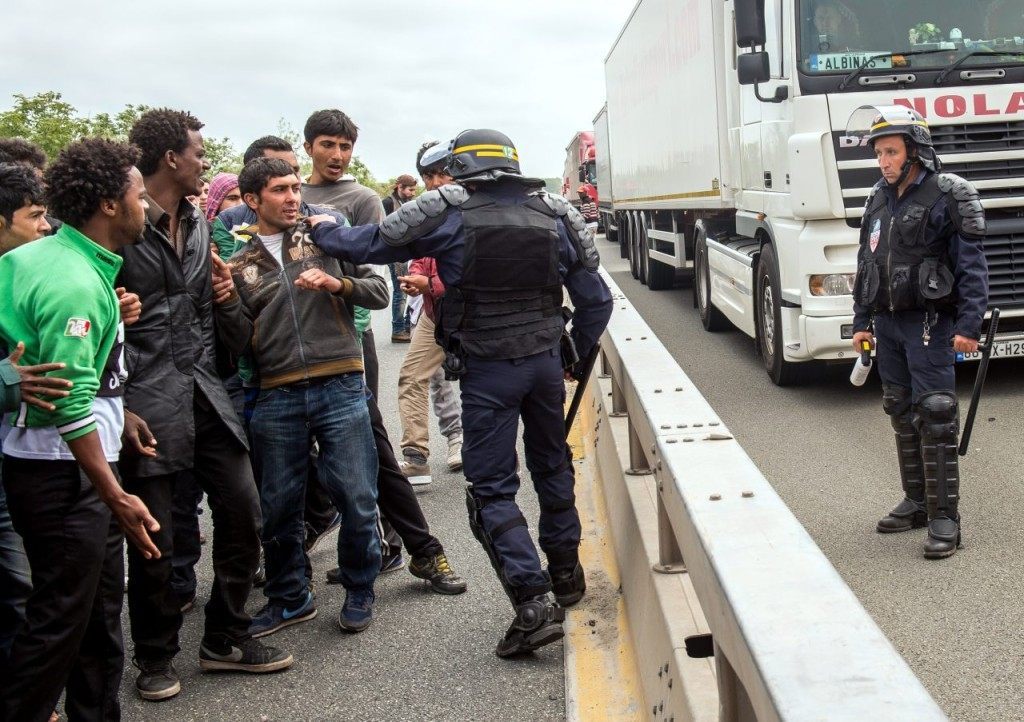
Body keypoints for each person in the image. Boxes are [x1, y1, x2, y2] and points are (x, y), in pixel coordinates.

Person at [309, 129, 613, 657]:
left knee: (491, 489)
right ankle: (565, 575)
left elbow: (369, 244)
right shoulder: (558, 213)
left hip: (488, 371)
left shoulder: (446, 209)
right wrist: (573, 356)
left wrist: (327, 229)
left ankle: (532, 601)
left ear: (461, 166)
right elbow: (597, 301)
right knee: (553, 467)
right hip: (543, 365)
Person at [120, 109, 292, 702]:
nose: (204, 162)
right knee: (157, 540)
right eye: (197, 151)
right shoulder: (118, 223)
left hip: (208, 397)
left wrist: (224, 299)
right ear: (172, 158)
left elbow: (230, 334)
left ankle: (224, 635)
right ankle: (155, 655)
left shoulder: (199, 225)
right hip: (145, 405)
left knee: (245, 511)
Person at [0, 137, 160, 721]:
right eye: (141, 195)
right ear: (111, 205)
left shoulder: (45, 258)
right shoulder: (73, 281)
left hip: (57, 469)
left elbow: (90, 374)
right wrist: (114, 493)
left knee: (96, 616)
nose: (150, 207)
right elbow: (70, 402)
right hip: (64, 474)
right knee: (58, 625)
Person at [215, 156, 386, 635]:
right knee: (279, 507)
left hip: (341, 385)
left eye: (295, 187)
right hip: (274, 395)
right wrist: (227, 301)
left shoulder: (327, 236)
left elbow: (378, 291)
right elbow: (235, 343)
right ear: (252, 201)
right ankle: (290, 597)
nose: (294, 197)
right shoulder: (238, 263)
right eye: (279, 190)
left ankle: (359, 587)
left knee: (357, 496)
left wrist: (338, 282)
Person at [848, 105, 988, 560]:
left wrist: (968, 326)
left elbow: (972, 268)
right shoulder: (877, 198)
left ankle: (946, 517)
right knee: (900, 408)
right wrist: (861, 321)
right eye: (879, 154)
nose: (883, 161)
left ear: (916, 151)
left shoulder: (949, 195)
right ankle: (917, 503)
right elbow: (867, 263)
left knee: (936, 413)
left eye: (891, 151)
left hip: (929, 324)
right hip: (886, 324)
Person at [394, 143, 464, 480]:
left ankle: (475, 450)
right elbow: (422, 254)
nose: (435, 183)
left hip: (472, 316)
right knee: (413, 377)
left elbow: (473, 272)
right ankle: (416, 456)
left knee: (483, 384)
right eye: (428, 176)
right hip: (434, 315)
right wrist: (418, 278)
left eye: (442, 173)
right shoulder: (428, 212)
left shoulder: (475, 207)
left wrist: (430, 284)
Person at [383, 174, 418, 342]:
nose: (412, 193)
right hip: (395, 252)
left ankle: (405, 327)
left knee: (409, 290)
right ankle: (397, 330)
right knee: (400, 291)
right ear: (400, 187)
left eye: (413, 190)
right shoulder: (388, 203)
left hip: (407, 251)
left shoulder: (409, 203)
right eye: (410, 189)